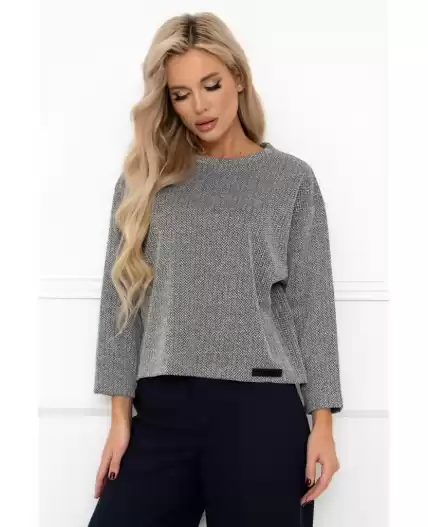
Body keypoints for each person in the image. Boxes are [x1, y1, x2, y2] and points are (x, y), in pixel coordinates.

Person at [87, 11, 343, 527]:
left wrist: (323, 424)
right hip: (163, 412)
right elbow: (121, 303)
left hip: (261, 410)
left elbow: (312, 305)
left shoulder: (290, 180)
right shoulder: (145, 180)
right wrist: (120, 418)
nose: (199, 106)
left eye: (211, 85)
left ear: (239, 78)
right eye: (181, 94)